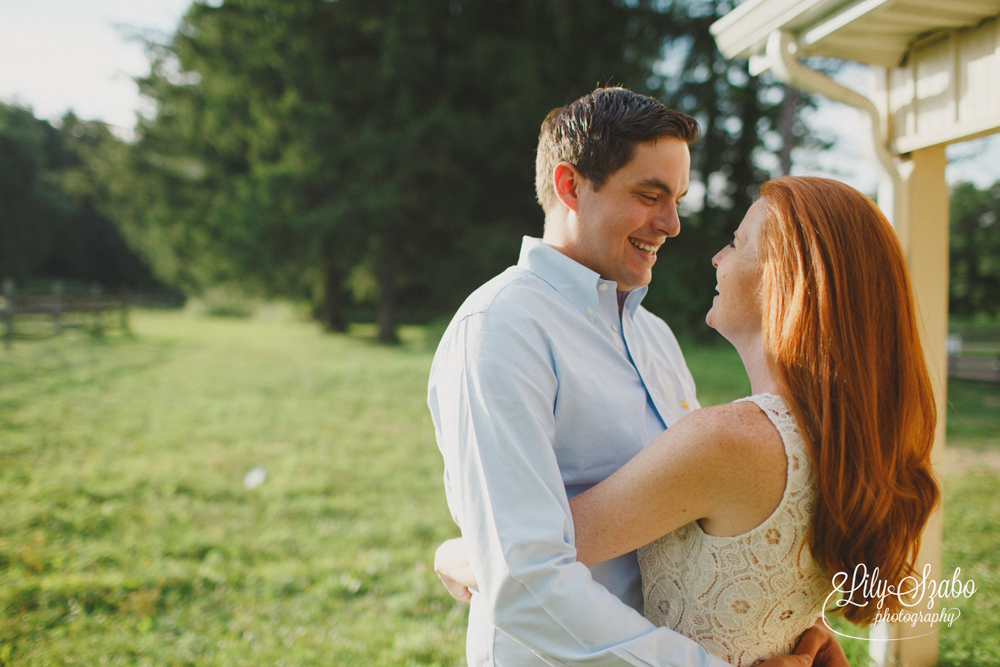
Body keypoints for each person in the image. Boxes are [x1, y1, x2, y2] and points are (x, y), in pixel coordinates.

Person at [436, 176, 940, 666]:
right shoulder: (844, 437)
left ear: (785, 281)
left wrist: (449, 554)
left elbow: (525, 560)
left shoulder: (727, 441)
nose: (717, 256)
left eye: (737, 243)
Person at [427, 87, 848, 667]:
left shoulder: (654, 336)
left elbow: (695, 516)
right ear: (571, 186)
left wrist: (783, 620)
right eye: (650, 195)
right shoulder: (502, 327)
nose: (672, 224)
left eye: (676, 198)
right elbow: (524, 581)